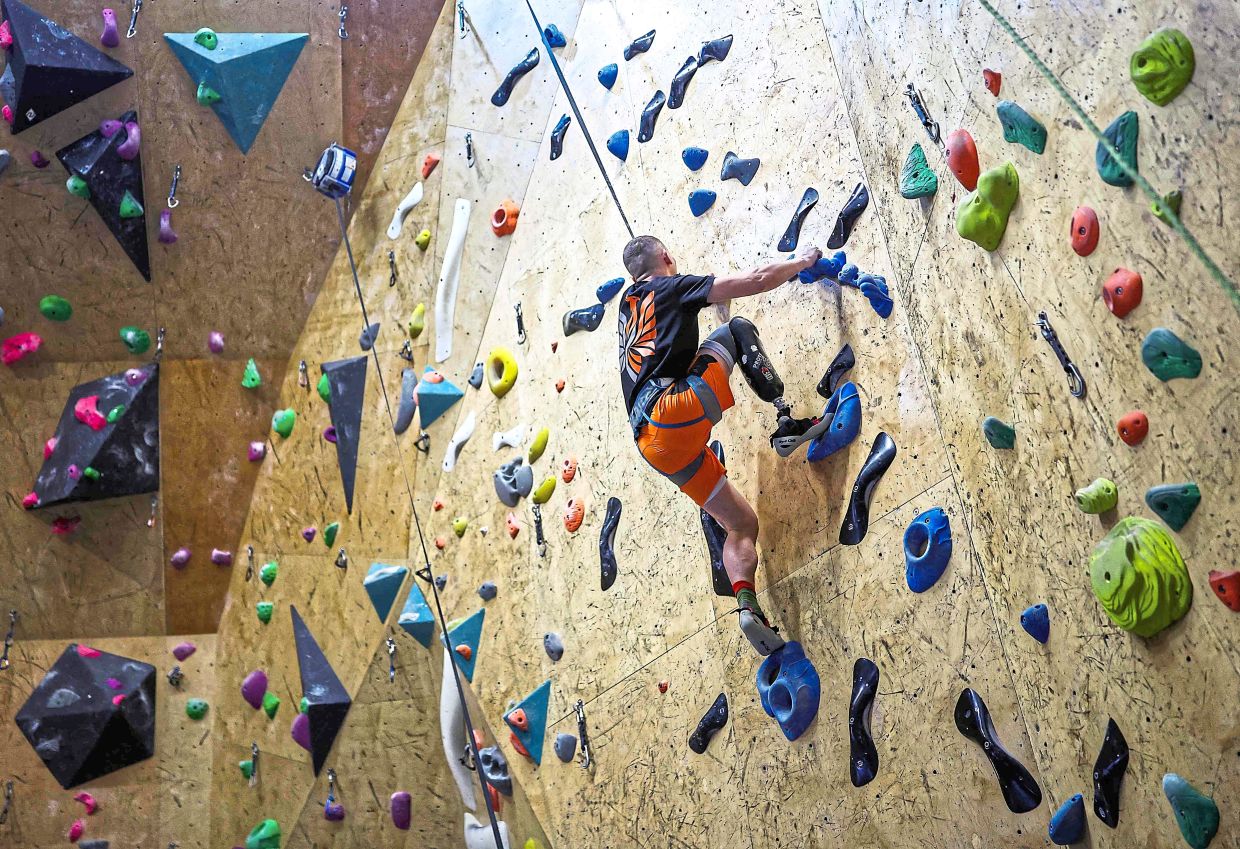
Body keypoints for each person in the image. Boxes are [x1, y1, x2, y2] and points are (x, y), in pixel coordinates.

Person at [617, 235, 829, 656]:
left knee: (742, 525)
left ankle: (747, 603)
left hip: (654, 446)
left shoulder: (628, 307)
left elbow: (670, 347)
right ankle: (785, 418)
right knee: (736, 331)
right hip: (672, 410)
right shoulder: (670, 286)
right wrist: (802, 260)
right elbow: (757, 278)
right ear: (667, 256)